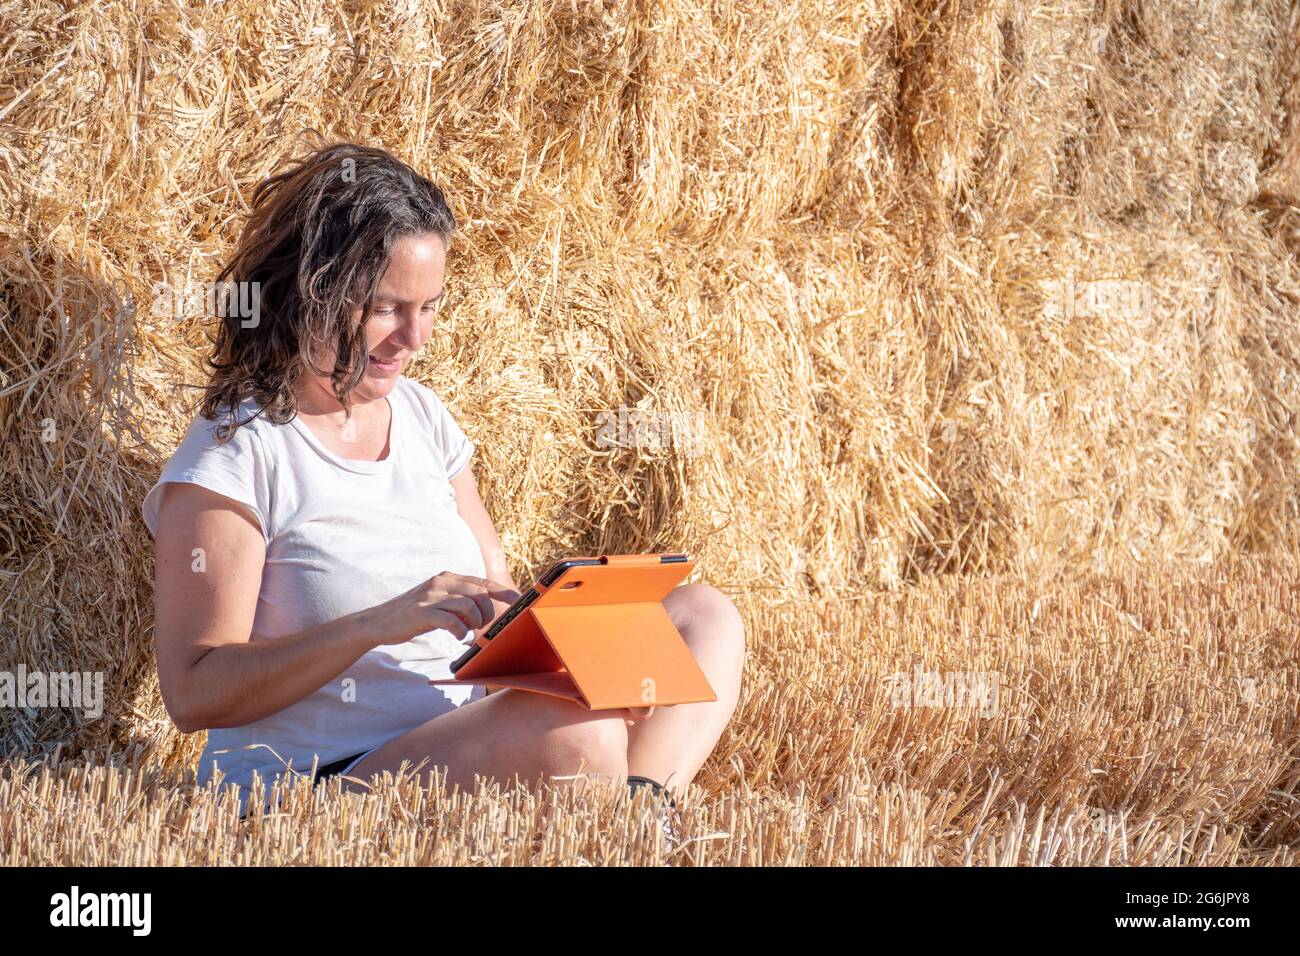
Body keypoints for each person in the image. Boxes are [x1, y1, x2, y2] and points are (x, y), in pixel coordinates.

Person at [142, 141, 746, 818]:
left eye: (429, 307)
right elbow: (194, 692)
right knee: (579, 732)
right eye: (387, 308)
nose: (415, 337)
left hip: (463, 741)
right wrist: (378, 624)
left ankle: (635, 819)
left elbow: (498, 601)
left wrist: (561, 636)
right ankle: (624, 820)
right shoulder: (237, 452)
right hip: (311, 787)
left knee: (703, 618)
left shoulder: (424, 417)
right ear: (312, 290)